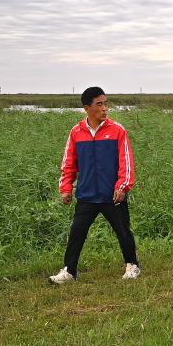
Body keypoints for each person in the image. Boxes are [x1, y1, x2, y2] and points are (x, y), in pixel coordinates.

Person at [49, 87, 140, 283]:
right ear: (87, 108)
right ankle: (70, 272)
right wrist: (66, 188)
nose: (105, 108)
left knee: (123, 231)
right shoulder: (76, 132)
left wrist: (122, 187)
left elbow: (127, 162)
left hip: (113, 194)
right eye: (99, 104)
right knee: (77, 233)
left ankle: (132, 266)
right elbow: (68, 164)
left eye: (106, 103)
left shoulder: (117, 130)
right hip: (87, 195)